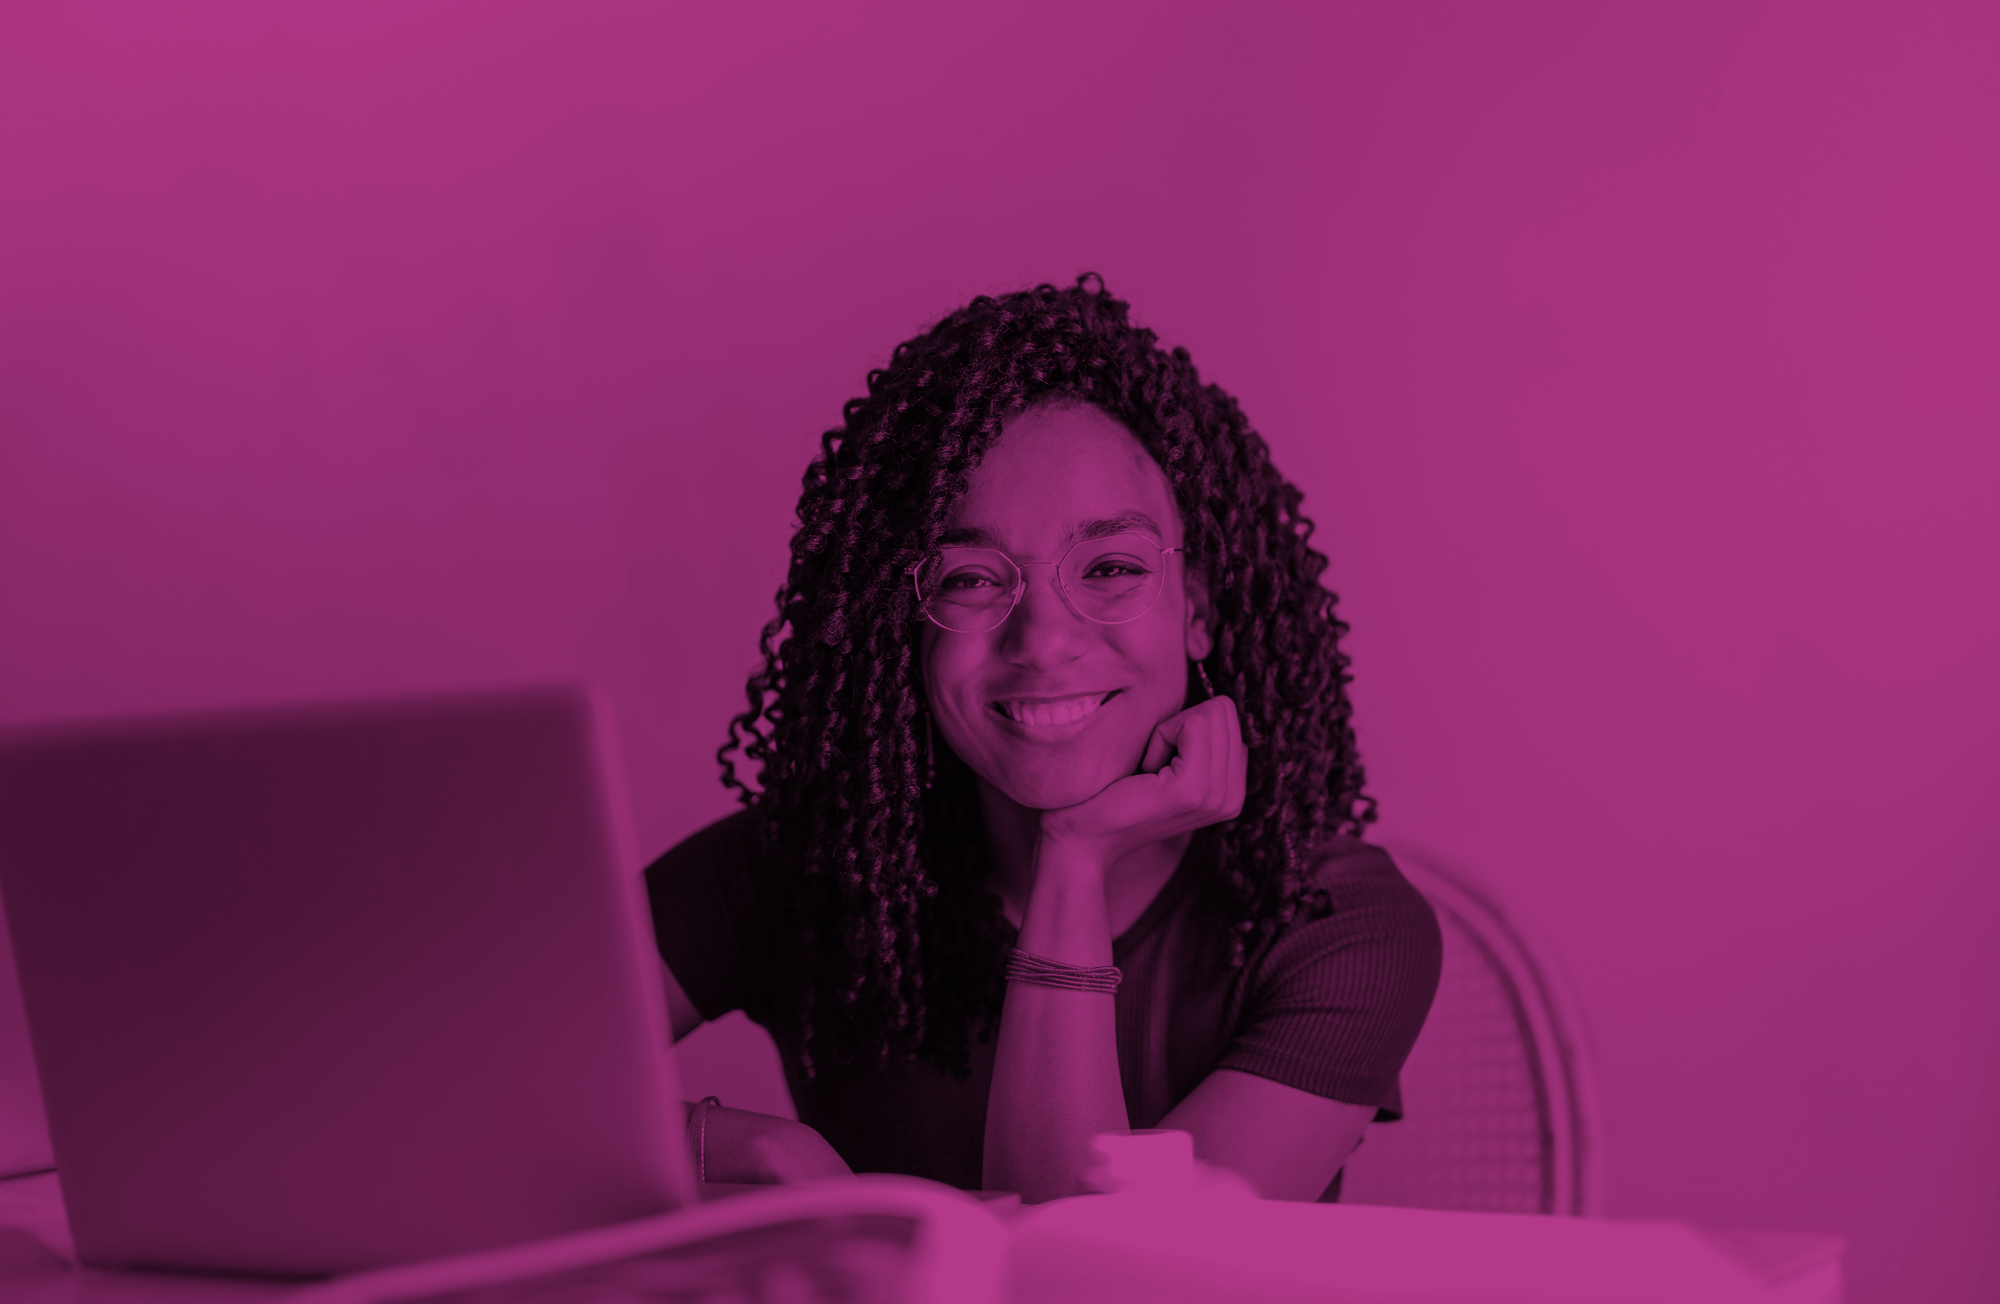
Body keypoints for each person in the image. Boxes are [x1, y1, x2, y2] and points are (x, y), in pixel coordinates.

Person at [645, 275, 1441, 1204]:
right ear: (906, 624)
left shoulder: (1338, 926)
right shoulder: (801, 867)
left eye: (1110, 568)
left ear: (1197, 612)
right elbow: (490, 1080)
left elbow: (1097, 1268)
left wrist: (1074, 858)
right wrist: (728, 1145)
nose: (1044, 640)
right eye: (971, 579)